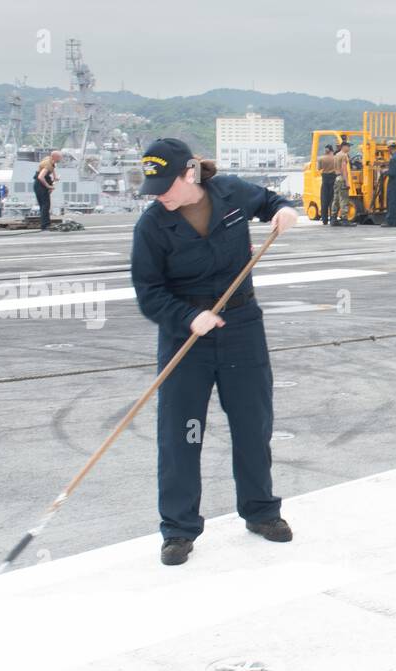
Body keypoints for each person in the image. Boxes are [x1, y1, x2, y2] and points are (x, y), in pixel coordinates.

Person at [130, 137, 299, 566]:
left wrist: (283, 210)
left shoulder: (229, 193)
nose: (160, 196)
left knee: (252, 423)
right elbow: (149, 294)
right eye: (154, 188)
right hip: (186, 338)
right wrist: (188, 317)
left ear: (190, 173)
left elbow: (270, 200)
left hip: (242, 326)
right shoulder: (151, 227)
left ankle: (261, 512)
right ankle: (179, 530)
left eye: (166, 185)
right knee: (181, 433)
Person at [330, 140, 356, 226]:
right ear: (344, 146)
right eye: (348, 146)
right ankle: (344, 219)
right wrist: (347, 181)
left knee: (336, 199)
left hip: (336, 178)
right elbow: (344, 169)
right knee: (344, 199)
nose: (349, 148)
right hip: (342, 178)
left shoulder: (336, 155)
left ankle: (333, 218)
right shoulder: (344, 155)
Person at [34, 150, 61, 231]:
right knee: (45, 206)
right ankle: (45, 225)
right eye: (60, 157)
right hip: (40, 185)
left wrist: (55, 177)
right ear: (55, 157)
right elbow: (40, 177)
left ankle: (46, 224)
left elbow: (52, 168)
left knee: (46, 205)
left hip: (40, 184)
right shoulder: (48, 164)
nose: (61, 159)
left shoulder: (49, 160)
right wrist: (48, 186)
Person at [382, 140, 396, 227]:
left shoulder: (393, 159)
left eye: (388, 148)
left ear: (390, 148)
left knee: (391, 201)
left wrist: (385, 171)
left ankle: (390, 221)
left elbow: (392, 173)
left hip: (393, 181)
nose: (387, 150)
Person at [317, 144, 337, 225]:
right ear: (332, 150)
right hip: (333, 178)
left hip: (325, 179)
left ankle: (324, 219)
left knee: (324, 200)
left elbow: (319, 168)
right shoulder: (335, 158)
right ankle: (333, 218)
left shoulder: (321, 158)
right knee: (333, 199)